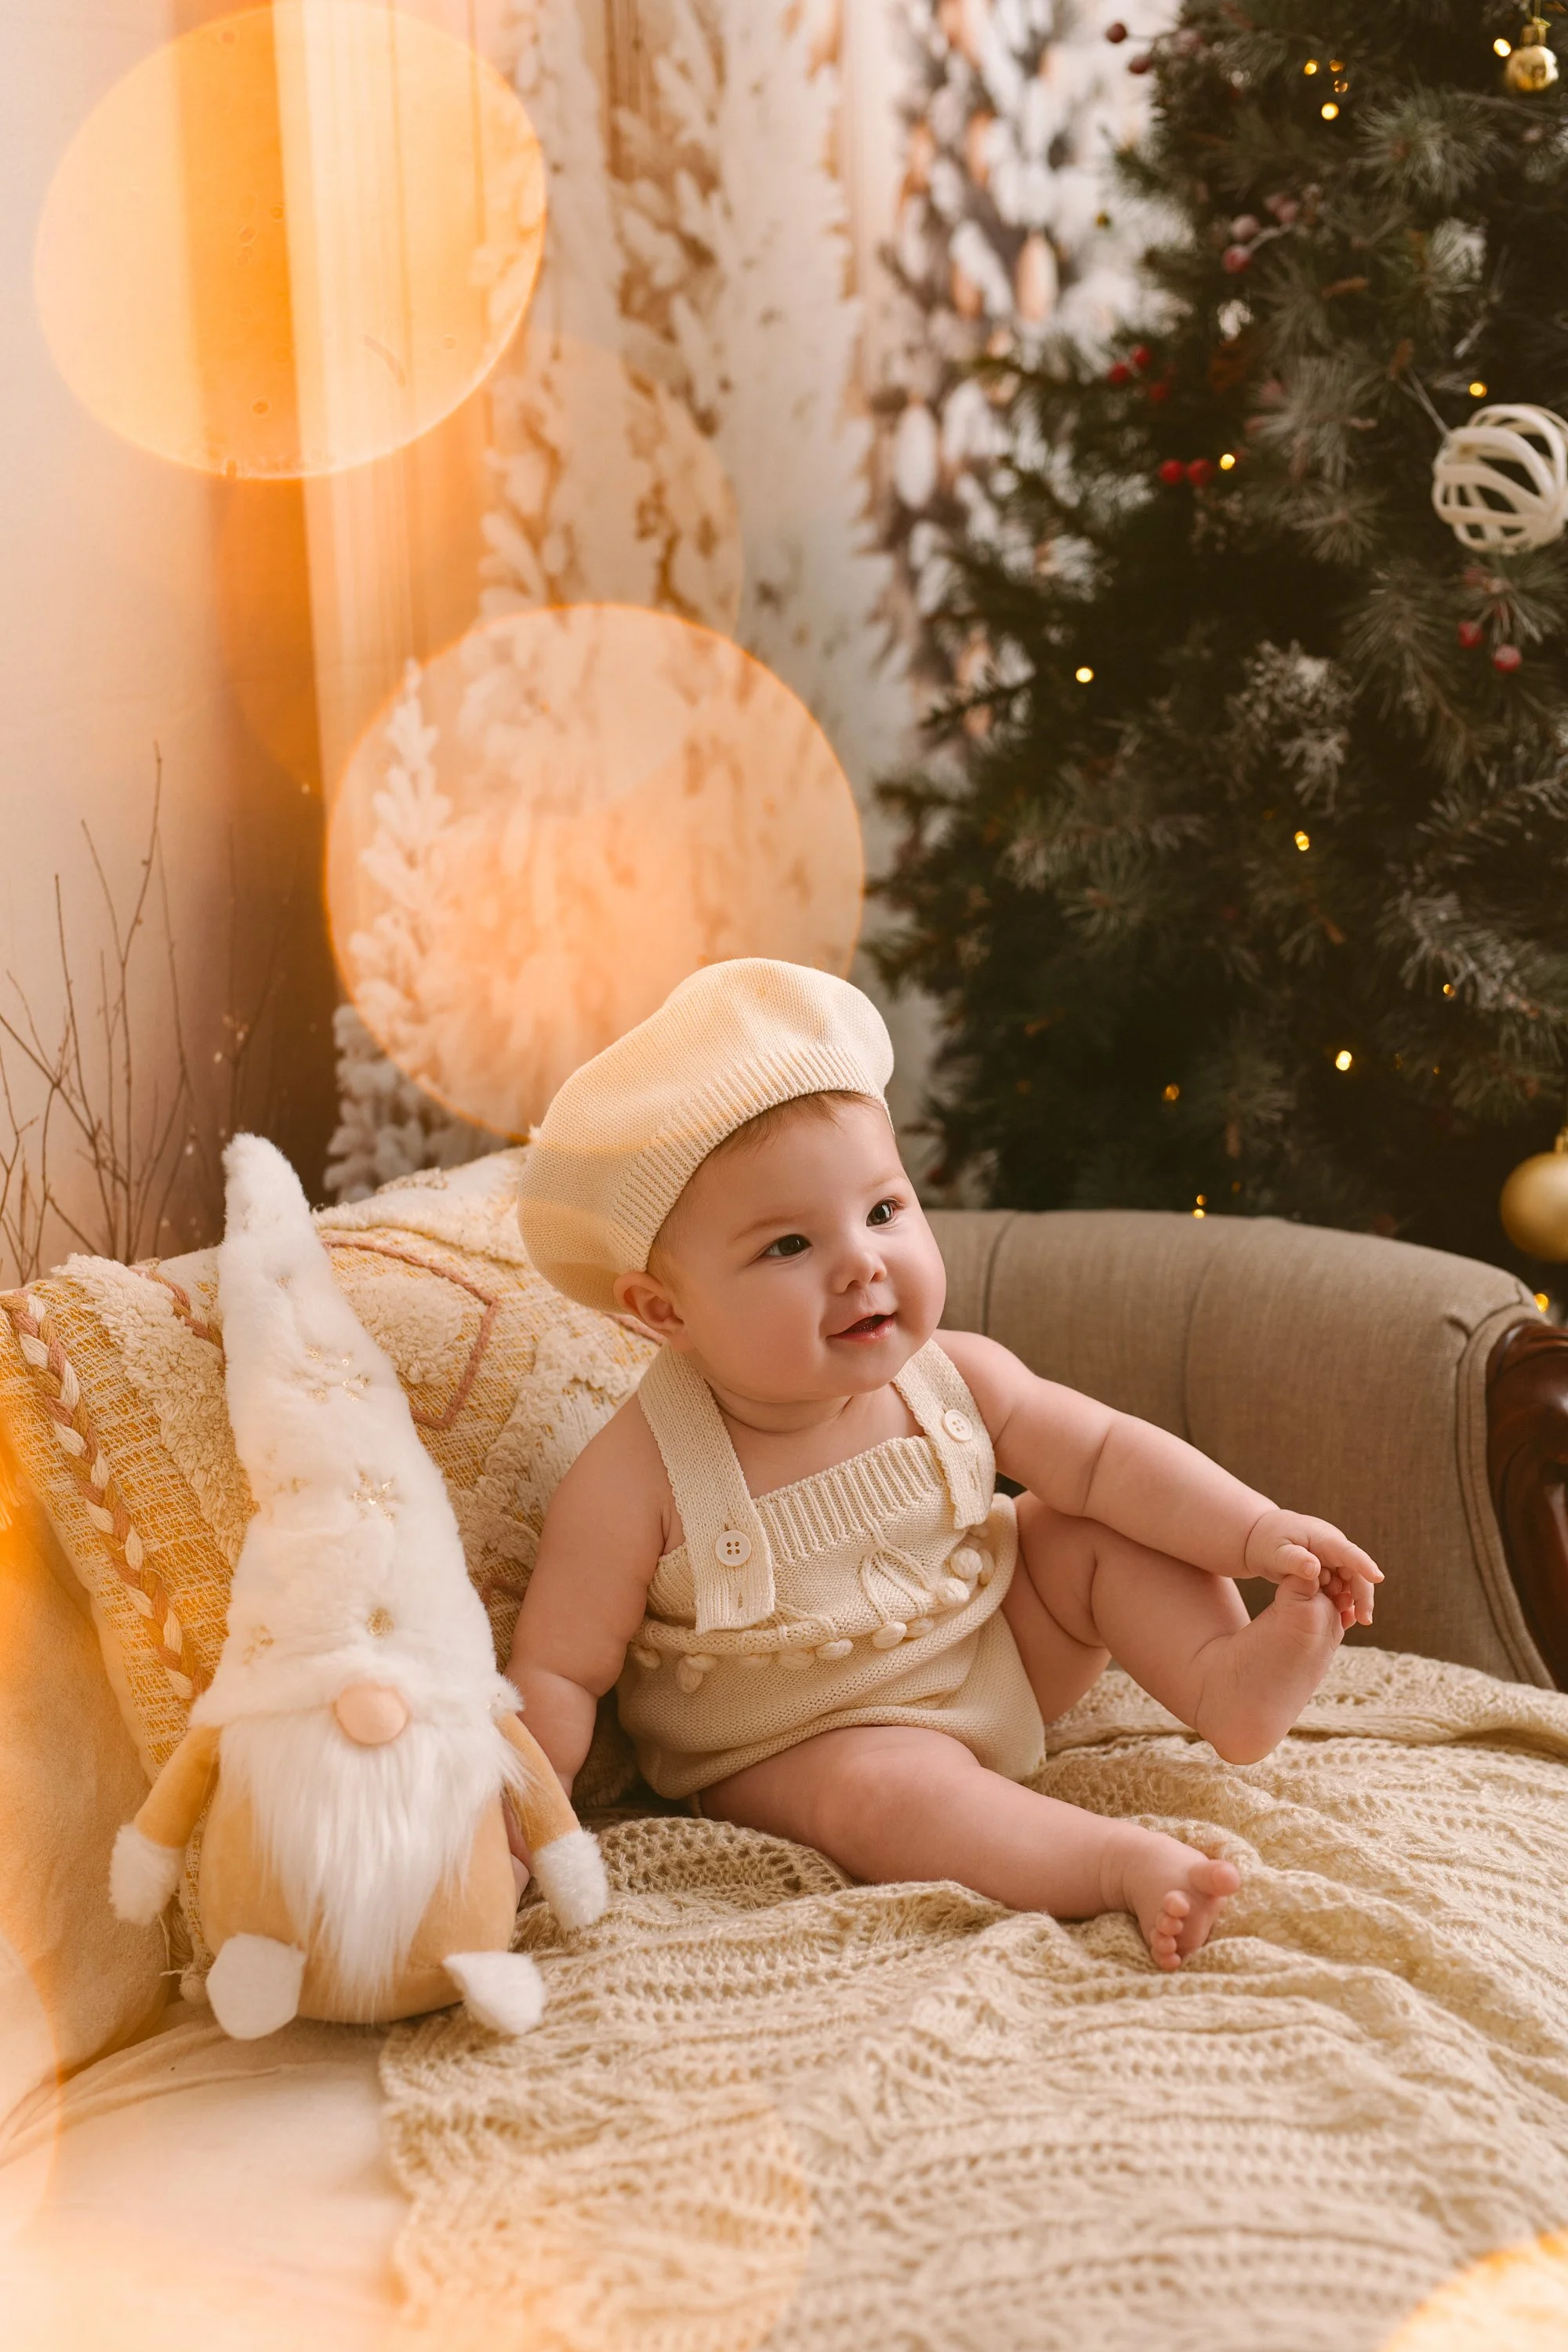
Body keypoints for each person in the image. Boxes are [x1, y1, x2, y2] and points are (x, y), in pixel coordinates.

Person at [508, 961, 1381, 1968]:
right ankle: (1104, 1864)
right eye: (787, 1244)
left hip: (995, 1656)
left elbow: (1106, 1456)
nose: (860, 1264)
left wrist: (1252, 1533)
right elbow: (559, 1673)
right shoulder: (638, 1474)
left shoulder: (953, 1375)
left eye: (882, 1211)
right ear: (665, 1312)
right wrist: (525, 1832)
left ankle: (1222, 1681)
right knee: (878, 1791)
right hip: (799, 1744)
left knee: (1083, 1527)